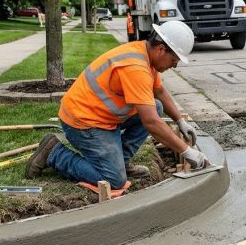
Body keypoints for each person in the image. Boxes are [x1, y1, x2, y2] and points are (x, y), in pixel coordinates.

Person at [25, 21, 210, 188]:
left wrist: (179, 120)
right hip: (83, 123)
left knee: (157, 106)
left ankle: (121, 160)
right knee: (113, 180)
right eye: (174, 60)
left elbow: (159, 91)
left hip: (99, 115)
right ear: (161, 49)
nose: (175, 66)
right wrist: (186, 151)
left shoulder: (145, 54)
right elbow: (151, 123)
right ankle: (54, 153)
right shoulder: (135, 68)